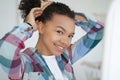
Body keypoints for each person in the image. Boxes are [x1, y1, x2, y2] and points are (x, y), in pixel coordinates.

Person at [0, 0, 103, 80]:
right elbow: (5, 49)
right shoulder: (26, 64)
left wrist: (70, 15)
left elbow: (99, 31)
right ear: (41, 27)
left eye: (70, 35)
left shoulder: (66, 57)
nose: (65, 42)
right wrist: (29, 25)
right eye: (59, 32)